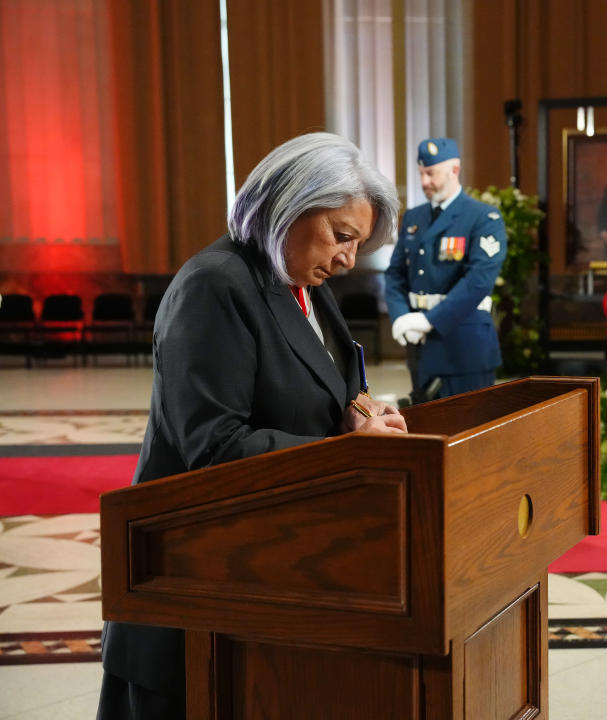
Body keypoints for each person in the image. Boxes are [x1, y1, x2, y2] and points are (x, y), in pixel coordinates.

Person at [96, 132, 408, 720]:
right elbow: (214, 448)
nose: (347, 260)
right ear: (290, 206)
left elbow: (333, 381)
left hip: (271, 571)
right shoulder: (215, 285)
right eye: (341, 237)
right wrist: (347, 453)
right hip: (194, 585)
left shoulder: (303, 282)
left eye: (357, 245)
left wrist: (363, 407)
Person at [385, 137, 507, 403]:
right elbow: (395, 273)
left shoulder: (484, 218)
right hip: (419, 345)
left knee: (468, 431)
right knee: (427, 430)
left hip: (463, 344)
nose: (424, 182)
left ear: (454, 170)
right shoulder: (414, 218)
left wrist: (429, 320)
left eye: (431, 173)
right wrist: (400, 317)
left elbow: (478, 281)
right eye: (421, 174)